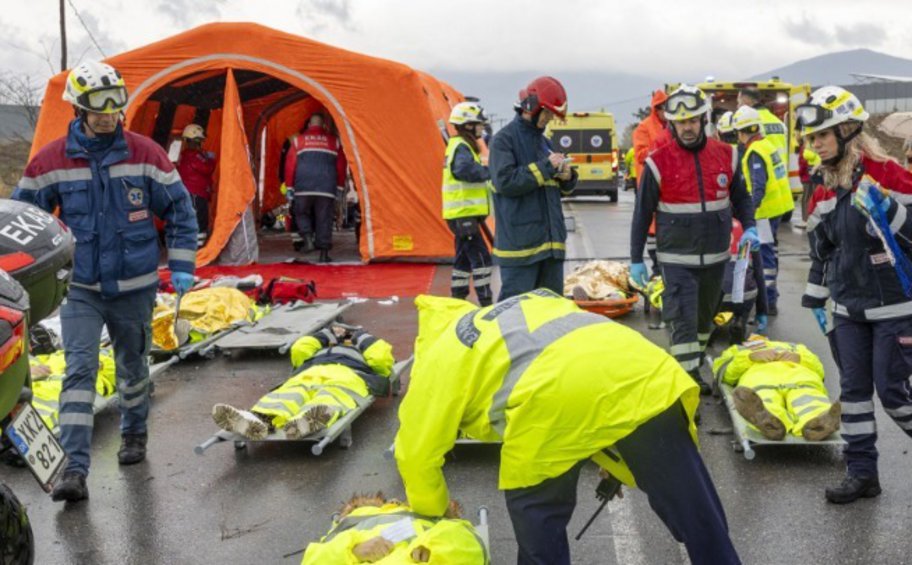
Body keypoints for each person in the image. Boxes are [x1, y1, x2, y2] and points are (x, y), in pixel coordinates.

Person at [396, 291, 740, 565]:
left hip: (550, 404)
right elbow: (588, 368)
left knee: (539, 518)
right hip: (645, 371)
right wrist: (615, 456)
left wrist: (435, 521)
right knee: (695, 511)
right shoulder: (525, 302)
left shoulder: (439, 358)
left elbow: (414, 456)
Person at [12, 61, 198, 502]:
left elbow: (181, 212)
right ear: (78, 107)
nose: (108, 115)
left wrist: (185, 264)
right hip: (81, 289)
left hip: (136, 287)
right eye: (98, 108)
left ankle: (134, 432)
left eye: (115, 107)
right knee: (80, 370)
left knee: (133, 367)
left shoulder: (146, 154)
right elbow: (23, 222)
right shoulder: (50, 161)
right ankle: (73, 470)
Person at [798, 85, 912, 504]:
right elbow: (822, 249)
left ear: (848, 130)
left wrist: (891, 211)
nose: (817, 144)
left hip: (894, 306)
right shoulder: (825, 188)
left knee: (893, 393)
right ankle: (862, 473)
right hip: (847, 309)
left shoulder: (891, 177)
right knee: (855, 395)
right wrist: (814, 297)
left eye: (823, 134)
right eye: (813, 138)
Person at [629, 85, 757, 394]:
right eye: (681, 122)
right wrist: (636, 258)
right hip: (676, 261)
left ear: (703, 120)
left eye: (693, 121)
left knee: (703, 325)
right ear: (672, 124)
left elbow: (741, 197)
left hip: (716, 259)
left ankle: (692, 366)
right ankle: (687, 389)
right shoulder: (657, 163)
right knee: (683, 323)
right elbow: (641, 214)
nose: (687, 128)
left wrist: (750, 226)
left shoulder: (727, 155)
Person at [211, 325, 393, 440]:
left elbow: (380, 360)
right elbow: (299, 350)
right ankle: (258, 419)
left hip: (349, 373)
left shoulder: (366, 347)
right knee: (290, 393)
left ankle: (305, 421)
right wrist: (325, 334)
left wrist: (361, 337)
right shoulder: (321, 346)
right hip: (311, 371)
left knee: (333, 393)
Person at [488, 76, 577, 300]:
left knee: (550, 318)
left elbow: (552, 186)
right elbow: (505, 182)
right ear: (531, 107)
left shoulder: (544, 142)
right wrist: (547, 167)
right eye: (547, 113)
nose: (548, 120)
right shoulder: (503, 141)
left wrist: (567, 177)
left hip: (550, 248)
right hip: (521, 251)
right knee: (515, 318)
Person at [713, 336, 841, 441]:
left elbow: (819, 369)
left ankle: (818, 423)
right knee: (763, 400)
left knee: (808, 398)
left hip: (799, 377)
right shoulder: (740, 350)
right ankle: (772, 423)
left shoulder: (797, 348)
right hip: (761, 378)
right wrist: (749, 358)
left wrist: (801, 359)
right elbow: (724, 373)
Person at [731, 106, 795, 316]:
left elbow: (758, 186)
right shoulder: (767, 145)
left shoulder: (754, 152)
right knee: (772, 253)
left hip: (765, 213)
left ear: (741, 132)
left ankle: (768, 301)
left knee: (764, 257)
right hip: (777, 209)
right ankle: (771, 297)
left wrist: (748, 210)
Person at [302, 493, 488, 564]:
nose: (394, 500)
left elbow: (471, 545)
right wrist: (353, 552)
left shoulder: (432, 518)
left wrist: (435, 550)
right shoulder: (356, 517)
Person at [442, 102, 494, 307]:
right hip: (463, 214)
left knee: (463, 258)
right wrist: (487, 173)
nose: (481, 128)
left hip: (462, 214)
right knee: (481, 258)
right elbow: (463, 170)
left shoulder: (459, 145)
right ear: (468, 125)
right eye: (478, 124)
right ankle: (486, 302)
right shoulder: (462, 147)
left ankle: (458, 296)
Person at [284, 113, 348, 263]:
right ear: (323, 125)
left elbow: (290, 166)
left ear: (309, 125)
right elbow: (341, 166)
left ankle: (308, 239)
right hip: (326, 188)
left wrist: (289, 187)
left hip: (303, 186)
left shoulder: (298, 141)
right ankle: (324, 254)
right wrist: (339, 186)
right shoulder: (334, 142)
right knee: (324, 218)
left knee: (301, 212)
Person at [632, 89, 672, 275]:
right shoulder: (644, 127)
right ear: (657, 109)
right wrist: (660, 152)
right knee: (651, 227)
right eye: (663, 108)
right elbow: (640, 154)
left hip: (671, 186)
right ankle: (656, 267)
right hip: (652, 184)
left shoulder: (672, 126)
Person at [176, 123, 216, 247]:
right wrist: (211, 159)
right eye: (200, 142)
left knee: (194, 219)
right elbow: (207, 169)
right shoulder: (195, 157)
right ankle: (198, 248)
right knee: (199, 220)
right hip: (196, 195)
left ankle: (193, 245)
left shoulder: (184, 156)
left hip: (192, 193)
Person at [737, 87, 788, 164]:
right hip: (780, 172)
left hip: (761, 172)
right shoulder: (779, 123)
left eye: (738, 102)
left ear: (745, 100)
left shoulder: (749, 124)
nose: (738, 106)